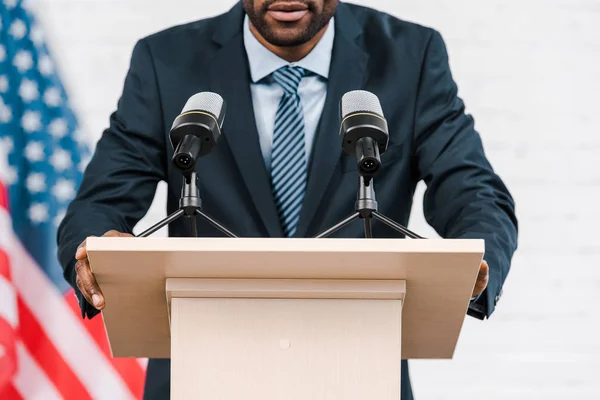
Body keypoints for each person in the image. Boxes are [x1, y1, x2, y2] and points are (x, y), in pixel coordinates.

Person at [57, 0, 518, 398]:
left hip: (358, 372)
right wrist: (94, 246)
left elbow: (473, 192)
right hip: (201, 372)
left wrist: (474, 260)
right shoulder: (167, 60)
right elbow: (101, 202)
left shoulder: (410, 57)